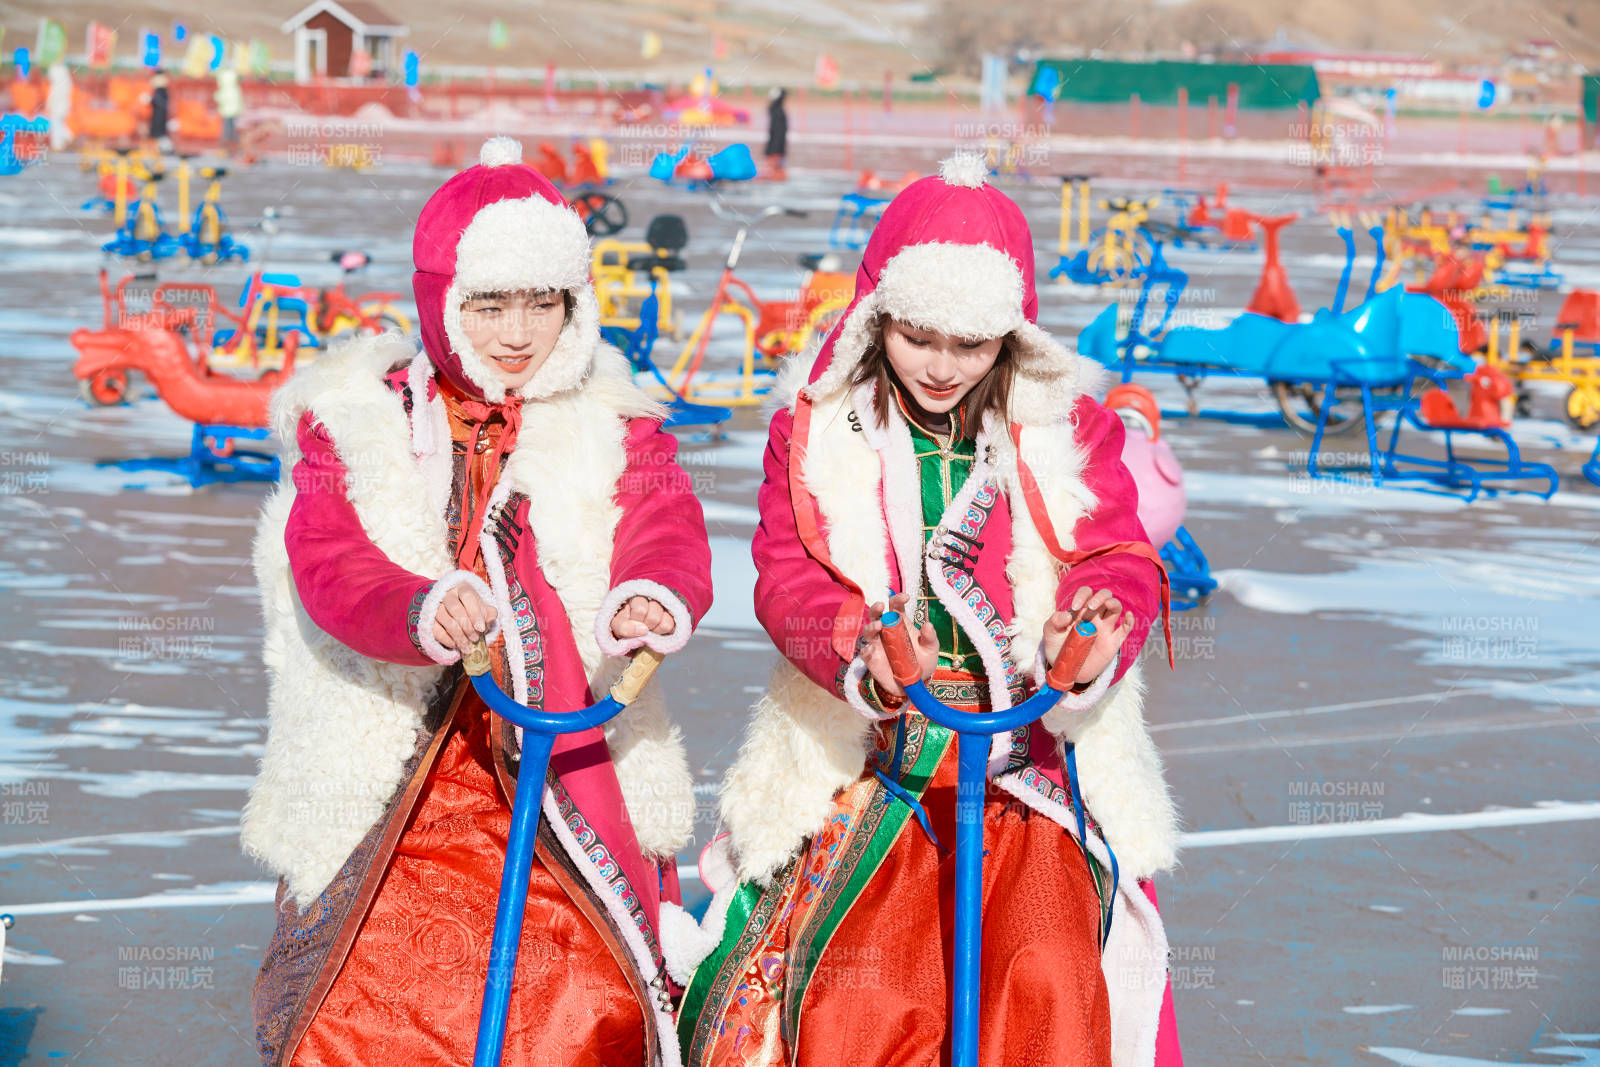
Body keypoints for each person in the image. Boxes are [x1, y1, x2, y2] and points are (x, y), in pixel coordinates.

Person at [670, 155, 1184, 1067]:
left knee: (1051, 980)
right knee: (853, 1004)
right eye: (919, 337)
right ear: (878, 319)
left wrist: (1088, 629)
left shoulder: (1072, 433)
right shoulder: (818, 432)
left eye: (973, 344)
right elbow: (786, 578)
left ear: (1011, 339)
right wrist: (853, 648)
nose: (943, 367)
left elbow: (1118, 557)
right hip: (874, 767)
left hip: (1029, 774)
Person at [245, 136, 713, 1066]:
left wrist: (650, 593)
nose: (517, 331)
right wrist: (420, 607)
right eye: (489, 303)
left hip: (563, 758)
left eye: (544, 302)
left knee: (581, 1000)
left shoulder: (616, 423)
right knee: (371, 1004)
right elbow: (330, 560)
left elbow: (664, 520)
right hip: (407, 768)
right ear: (441, 301)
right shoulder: (358, 421)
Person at [215, 67, 243, 153]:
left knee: (227, 125)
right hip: (233, 111)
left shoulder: (225, 89)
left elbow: (219, 98)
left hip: (226, 111)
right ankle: (233, 138)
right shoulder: (235, 88)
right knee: (232, 124)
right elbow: (239, 99)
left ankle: (226, 139)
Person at [763, 87, 788, 179]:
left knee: (775, 165)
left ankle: (775, 174)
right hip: (776, 145)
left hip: (776, 145)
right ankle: (774, 174)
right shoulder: (777, 110)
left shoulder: (777, 110)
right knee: (774, 165)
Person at [147, 73, 170, 150]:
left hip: (161, 117)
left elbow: (161, 102)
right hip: (157, 117)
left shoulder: (162, 91)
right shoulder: (158, 91)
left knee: (159, 133)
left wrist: (151, 99)